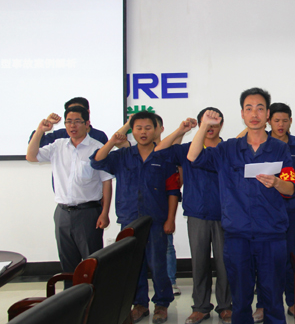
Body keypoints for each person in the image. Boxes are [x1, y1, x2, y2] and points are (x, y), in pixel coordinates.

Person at [187, 88, 295, 324]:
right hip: (237, 236)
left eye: (260, 108)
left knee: (273, 300)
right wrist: (204, 125)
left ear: (267, 114)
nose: (254, 114)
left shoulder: (280, 149)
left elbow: (292, 189)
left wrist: (277, 183)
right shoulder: (228, 149)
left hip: (272, 235)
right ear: (242, 114)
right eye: (249, 108)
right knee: (240, 300)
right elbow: (194, 157)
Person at [91, 111, 180, 324]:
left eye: (148, 128)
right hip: (129, 219)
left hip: (155, 220)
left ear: (157, 130)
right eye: (138, 128)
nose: (143, 132)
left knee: (158, 264)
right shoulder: (123, 155)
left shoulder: (164, 156)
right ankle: (139, 304)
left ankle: (161, 304)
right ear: (132, 130)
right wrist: (112, 141)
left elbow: (173, 190)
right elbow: (97, 161)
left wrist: (170, 219)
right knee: (133, 266)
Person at [155, 108, 233, 324]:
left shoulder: (229, 149)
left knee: (225, 263)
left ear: (221, 125)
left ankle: (226, 306)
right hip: (197, 213)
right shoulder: (187, 149)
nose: (211, 128)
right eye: (206, 123)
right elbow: (159, 151)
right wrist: (180, 131)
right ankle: (200, 307)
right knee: (199, 263)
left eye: (215, 124)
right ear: (200, 125)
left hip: (226, 215)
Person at [26, 105, 113, 287]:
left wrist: (104, 213)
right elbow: (31, 156)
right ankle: (71, 300)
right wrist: (40, 130)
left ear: (87, 124)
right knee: (67, 263)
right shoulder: (58, 146)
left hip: (89, 212)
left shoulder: (97, 148)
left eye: (77, 121)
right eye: (69, 122)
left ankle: (94, 299)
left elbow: (106, 182)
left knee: (92, 261)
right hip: (62, 213)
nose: (72, 126)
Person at [250, 103, 295, 321]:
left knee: (292, 257)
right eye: (276, 120)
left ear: (291, 121)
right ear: (269, 121)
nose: (281, 124)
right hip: (266, 210)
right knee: (265, 259)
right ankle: (263, 304)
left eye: (285, 120)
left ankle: (293, 301)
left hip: (292, 209)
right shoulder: (260, 142)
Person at [29, 97, 108, 147]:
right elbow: (37, 147)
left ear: (88, 112)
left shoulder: (99, 136)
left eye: (78, 110)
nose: (74, 113)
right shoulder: (60, 136)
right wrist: (42, 128)